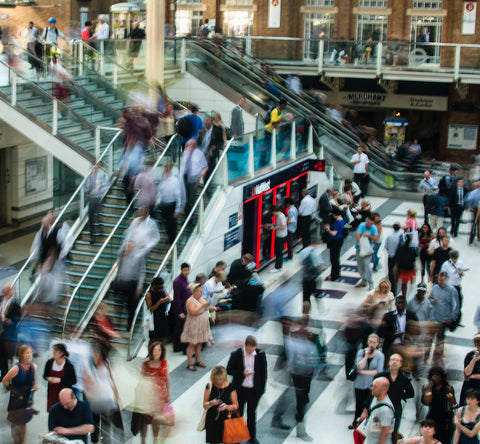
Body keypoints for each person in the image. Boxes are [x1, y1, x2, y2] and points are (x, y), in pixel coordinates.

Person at [227, 336, 267, 444]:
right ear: (245, 345)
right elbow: (229, 370)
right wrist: (242, 373)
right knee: (238, 414)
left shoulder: (260, 355)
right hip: (240, 390)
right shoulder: (236, 355)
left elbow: (263, 374)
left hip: (254, 390)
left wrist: (261, 390)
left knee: (252, 414)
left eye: (253, 349)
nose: (251, 351)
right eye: (249, 349)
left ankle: (251, 436)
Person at [83, 346, 122, 444]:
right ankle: (95, 441)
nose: (95, 356)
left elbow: (111, 380)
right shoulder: (89, 368)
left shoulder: (106, 364)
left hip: (106, 400)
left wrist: (117, 396)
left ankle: (105, 440)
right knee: (95, 424)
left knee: (107, 425)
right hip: (94, 401)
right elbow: (86, 384)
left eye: (97, 353)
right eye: (93, 354)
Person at [2, 344, 37, 444]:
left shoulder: (33, 367)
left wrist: (34, 387)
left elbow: (34, 382)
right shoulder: (16, 369)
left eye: (30, 352)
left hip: (26, 400)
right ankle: (16, 442)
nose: (30, 355)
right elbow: (5, 380)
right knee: (15, 423)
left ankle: (23, 442)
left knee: (24, 422)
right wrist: (14, 391)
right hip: (16, 401)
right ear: (21, 354)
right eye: (27, 353)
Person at [375, 353, 415, 441]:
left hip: (395, 407)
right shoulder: (381, 376)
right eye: (393, 360)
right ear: (389, 362)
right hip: (380, 406)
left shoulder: (403, 378)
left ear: (401, 364)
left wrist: (401, 396)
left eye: (397, 361)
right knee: (376, 430)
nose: (394, 362)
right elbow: (371, 393)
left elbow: (411, 393)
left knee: (393, 430)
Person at [350, 333, 384, 429]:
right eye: (370, 342)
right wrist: (366, 356)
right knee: (359, 404)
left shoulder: (380, 356)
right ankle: (356, 422)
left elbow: (378, 371)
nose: (372, 344)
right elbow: (359, 365)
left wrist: (362, 372)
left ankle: (369, 425)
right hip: (360, 383)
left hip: (372, 384)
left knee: (370, 405)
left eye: (374, 342)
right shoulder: (361, 352)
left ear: (377, 343)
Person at [139, 341, 171, 444]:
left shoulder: (165, 363)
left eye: (159, 350)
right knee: (144, 421)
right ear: (151, 351)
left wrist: (169, 393)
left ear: (162, 352)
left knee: (156, 420)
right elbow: (141, 379)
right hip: (147, 396)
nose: (156, 352)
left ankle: (155, 439)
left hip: (159, 397)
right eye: (154, 350)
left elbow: (167, 379)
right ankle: (143, 441)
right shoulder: (146, 364)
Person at [425, 272, 460, 365]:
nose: (440, 282)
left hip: (443, 320)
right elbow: (429, 298)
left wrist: (451, 318)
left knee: (439, 341)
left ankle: (436, 360)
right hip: (433, 319)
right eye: (439, 280)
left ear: (446, 279)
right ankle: (425, 358)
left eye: (442, 280)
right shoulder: (435, 288)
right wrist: (432, 301)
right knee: (428, 340)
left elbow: (456, 306)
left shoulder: (452, 291)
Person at [203, 366, 239, 443]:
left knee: (228, 440)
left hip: (227, 419)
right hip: (212, 419)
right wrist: (211, 403)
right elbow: (204, 405)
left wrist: (226, 407)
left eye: (221, 379)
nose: (219, 381)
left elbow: (235, 405)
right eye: (216, 379)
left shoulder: (231, 387)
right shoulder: (210, 386)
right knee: (213, 440)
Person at [181, 282, 212, 371]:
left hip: (202, 323)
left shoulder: (201, 299)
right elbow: (193, 312)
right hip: (194, 324)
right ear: (194, 292)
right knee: (192, 344)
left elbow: (205, 307)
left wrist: (210, 307)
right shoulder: (190, 301)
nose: (201, 293)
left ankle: (197, 360)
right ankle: (189, 363)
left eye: (202, 292)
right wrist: (203, 305)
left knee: (199, 343)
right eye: (199, 292)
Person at [421, 366, 456, 444]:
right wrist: (430, 387)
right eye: (432, 375)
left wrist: (451, 399)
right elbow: (427, 402)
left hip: (445, 418)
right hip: (433, 416)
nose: (434, 377)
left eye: (437, 375)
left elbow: (453, 404)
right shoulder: (427, 387)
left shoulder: (448, 388)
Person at [115, 240, 145, 330]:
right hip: (122, 282)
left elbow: (142, 272)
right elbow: (119, 267)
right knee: (119, 304)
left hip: (132, 283)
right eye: (128, 246)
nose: (129, 248)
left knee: (131, 306)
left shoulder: (138, 257)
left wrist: (139, 286)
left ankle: (130, 325)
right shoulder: (122, 255)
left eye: (131, 247)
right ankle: (118, 324)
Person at [359, 376, 395, 444]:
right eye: (372, 386)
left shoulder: (385, 410)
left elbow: (385, 432)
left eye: (375, 387)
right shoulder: (375, 398)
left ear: (384, 390)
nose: (371, 388)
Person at [156, 159, 184, 245]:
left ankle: (173, 240)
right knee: (166, 223)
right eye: (165, 167)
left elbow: (178, 196)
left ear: (170, 168)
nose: (165, 169)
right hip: (164, 205)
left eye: (167, 167)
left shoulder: (174, 180)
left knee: (172, 224)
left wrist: (177, 210)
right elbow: (160, 191)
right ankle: (169, 238)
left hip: (172, 205)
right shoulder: (163, 179)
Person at [43, 343, 76, 412]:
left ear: (61, 353)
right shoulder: (50, 362)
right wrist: (49, 378)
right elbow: (45, 375)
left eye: (56, 351)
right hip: (52, 393)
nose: (53, 352)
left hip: (64, 395)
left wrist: (60, 380)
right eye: (53, 350)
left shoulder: (68, 366)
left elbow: (73, 380)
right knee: (53, 411)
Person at [84, 161, 109, 244]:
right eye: (93, 167)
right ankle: (92, 237)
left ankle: (100, 229)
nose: (94, 169)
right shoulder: (89, 176)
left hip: (98, 198)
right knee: (91, 217)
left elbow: (106, 185)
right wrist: (88, 190)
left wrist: (99, 190)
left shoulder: (101, 175)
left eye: (96, 167)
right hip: (91, 198)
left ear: (98, 167)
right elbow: (84, 188)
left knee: (97, 215)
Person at [181, 138, 208, 212]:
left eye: (192, 145)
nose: (190, 146)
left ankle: (191, 213)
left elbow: (205, 167)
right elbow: (182, 165)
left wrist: (199, 177)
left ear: (195, 145)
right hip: (185, 177)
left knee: (191, 198)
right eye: (188, 145)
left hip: (194, 178)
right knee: (185, 197)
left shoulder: (199, 153)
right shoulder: (185, 153)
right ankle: (187, 212)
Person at [0, 283, 21, 380]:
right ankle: (3, 373)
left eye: (8, 290)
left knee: (6, 355)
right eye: (5, 290)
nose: (5, 292)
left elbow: (17, 320)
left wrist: (6, 320)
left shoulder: (15, 305)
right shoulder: (0, 299)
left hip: (7, 335)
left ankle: (6, 375)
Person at [440, 249, 465, 325]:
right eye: (453, 258)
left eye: (456, 258)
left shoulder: (460, 263)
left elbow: (461, 272)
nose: (454, 260)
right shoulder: (446, 264)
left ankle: (456, 320)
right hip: (449, 286)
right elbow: (442, 274)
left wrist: (461, 274)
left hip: (457, 285)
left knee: (459, 302)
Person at [355, 215, 379, 290]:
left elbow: (375, 238)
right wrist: (360, 244)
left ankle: (370, 282)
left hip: (368, 250)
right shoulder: (362, 225)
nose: (369, 225)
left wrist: (369, 235)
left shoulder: (373, 228)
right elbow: (358, 235)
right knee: (360, 266)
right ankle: (364, 280)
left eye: (371, 224)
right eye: (368, 223)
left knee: (367, 265)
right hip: (359, 249)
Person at [146, 277, 172, 345]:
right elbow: (150, 309)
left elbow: (169, 299)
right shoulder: (149, 295)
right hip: (154, 318)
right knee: (152, 338)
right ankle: (151, 354)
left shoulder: (162, 290)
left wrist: (167, 299)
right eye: (159, 287)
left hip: (162, 316)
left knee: (161, 337)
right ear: (155, 286)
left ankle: (160, 353)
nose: (161, 289)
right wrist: (159, 302)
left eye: (162, 287)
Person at [299, 245, 324, 315]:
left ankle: (305, 312)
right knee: (317, 295)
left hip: (305, 278)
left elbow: (301, 264)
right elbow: (319, 266)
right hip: (313, 279)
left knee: (306, 296)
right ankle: (321, 310)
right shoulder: (314, 252)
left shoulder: (303, 252)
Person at [172, 262, 191, 352]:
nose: (186, 272)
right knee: (180, 328)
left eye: (188, 270)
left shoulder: (185, 279)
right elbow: (177, 297)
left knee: (182, 327)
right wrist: (180, 311)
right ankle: (180, 347)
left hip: (185, 305)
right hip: (180, 306)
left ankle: (180, 346)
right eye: (185, 270)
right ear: (181, 270)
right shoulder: (177, 281)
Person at [326, 206, 345, 281]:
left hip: (335, 241)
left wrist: (328, 229)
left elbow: (334, 233)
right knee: (336, 258)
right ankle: (336, 273)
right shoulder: (342, 220)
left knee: (333, 259)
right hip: (339, 240)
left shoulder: (337, 222)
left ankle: (334, 275)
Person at [460, 334, 480, 406]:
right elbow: (467, 373)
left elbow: (470, 376)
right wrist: (474, 360)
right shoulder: (470, 355)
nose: (478, 349)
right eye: (477, 346)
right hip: (470, 387)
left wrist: (473, 376)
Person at [384, 223, 402, 294]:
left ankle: (392, 290)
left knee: (391, 274)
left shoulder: (389, 237)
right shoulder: (401, 236)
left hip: (391, 257)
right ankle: (397, 287)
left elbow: (386, 247)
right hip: (399, 258)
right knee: (398, 273)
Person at [270, 205, 287, 272]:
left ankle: (277, 267)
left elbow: (283, 226)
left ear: (274, 211)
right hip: (282, 235)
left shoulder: (280, 216)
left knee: (278, 252)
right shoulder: (280, 215)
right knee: (279, 252)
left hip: (281, 236)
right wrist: (272, 225)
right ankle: (279, 266)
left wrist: (274, 228)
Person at [285, 197, 298, 262]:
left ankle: (290, 257)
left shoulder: (290, 210)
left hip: (290, 228)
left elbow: (289, 220)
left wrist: (284, 225)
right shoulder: (294, 208)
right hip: (293, 227)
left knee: (289, 243)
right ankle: (289, 256)